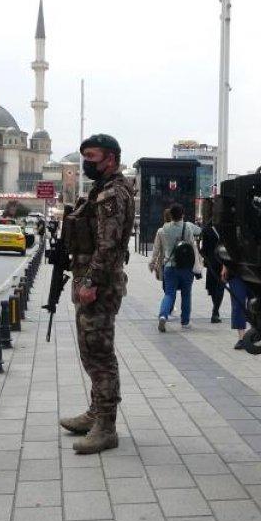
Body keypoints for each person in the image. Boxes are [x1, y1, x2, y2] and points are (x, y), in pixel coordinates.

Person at [58, 134, 136, 454]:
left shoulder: (113, 194)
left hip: (99, 287)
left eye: (92, 156)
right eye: (84, 156)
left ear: (111, 159)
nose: (87, 162)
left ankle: (106, 426)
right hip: (90, 282)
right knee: (90, 351)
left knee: (100, 354)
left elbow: (108, 246)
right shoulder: (100, 191)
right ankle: (95, 412)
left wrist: (90, 282)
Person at [154, 203, 200, 332]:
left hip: (169, 266)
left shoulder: (165, 228)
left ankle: (163, 315)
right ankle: (185, 321)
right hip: (185, 267)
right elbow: (192, 245)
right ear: (182, 215)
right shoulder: (187, 227)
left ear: (171, 215)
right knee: (186, 294)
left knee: (169, 293)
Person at [198, 207, 225, 323]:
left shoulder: (206, 229)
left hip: (211, 262)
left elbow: (203, 248)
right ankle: (215, 311)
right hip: (224, 261)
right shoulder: (225, 228)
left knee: (213, 287)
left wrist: (205, 257)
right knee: (219, 286)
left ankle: (215, 311)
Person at [218, 264, 249, 350]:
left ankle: (256, 334)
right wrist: (224, 267)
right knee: (238, 304)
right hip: (236, 271)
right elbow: (228, 250)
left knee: (256, 304)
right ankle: (241, 338)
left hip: (255, 271)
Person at [147, 208, 173, 280]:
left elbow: (156, 249)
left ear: (164, 217)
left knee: (167, 287)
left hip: (165, 262)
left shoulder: (161, 231)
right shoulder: (179, 230)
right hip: (177, 262)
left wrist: (152, 263)